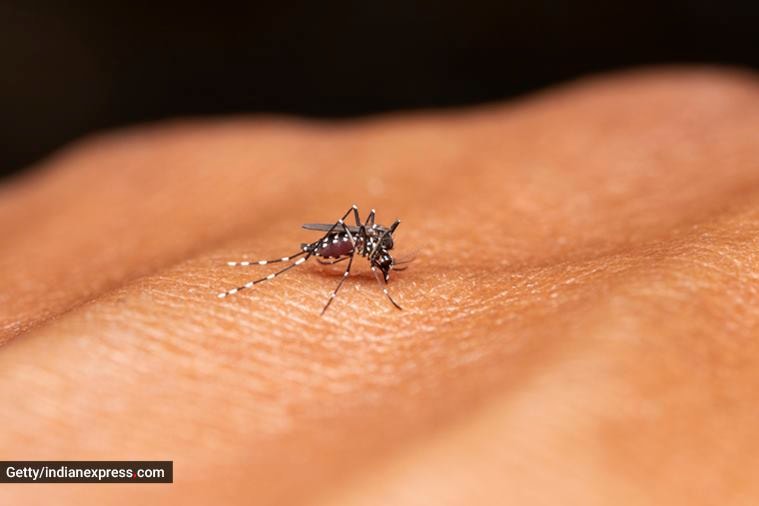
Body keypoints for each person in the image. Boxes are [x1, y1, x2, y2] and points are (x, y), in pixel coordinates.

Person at [1, 68, 758, 505]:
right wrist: (338, 271)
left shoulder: (379, 247)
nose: (381, 265)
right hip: (330, 245)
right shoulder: (359, 247)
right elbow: (359, 239)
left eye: (380, 267)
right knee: (348, 236)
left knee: (366, 230)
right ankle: (286, 273)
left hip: (345, 240)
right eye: (381, 267)